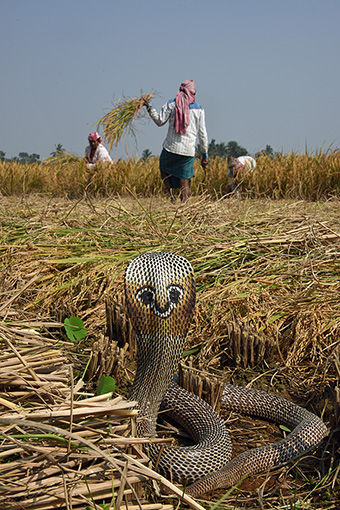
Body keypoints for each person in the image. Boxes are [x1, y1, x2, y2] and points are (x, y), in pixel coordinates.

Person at [144, 80, 208, 202]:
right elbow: (202, 134)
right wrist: (205, 154)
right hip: (188, 150)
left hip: (171, 148)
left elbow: (159, 121)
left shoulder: (171, 104)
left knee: (163, 169)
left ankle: (171, 195)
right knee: (184, 181)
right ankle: (185, 207)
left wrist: (149, 107)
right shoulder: (199, 110)